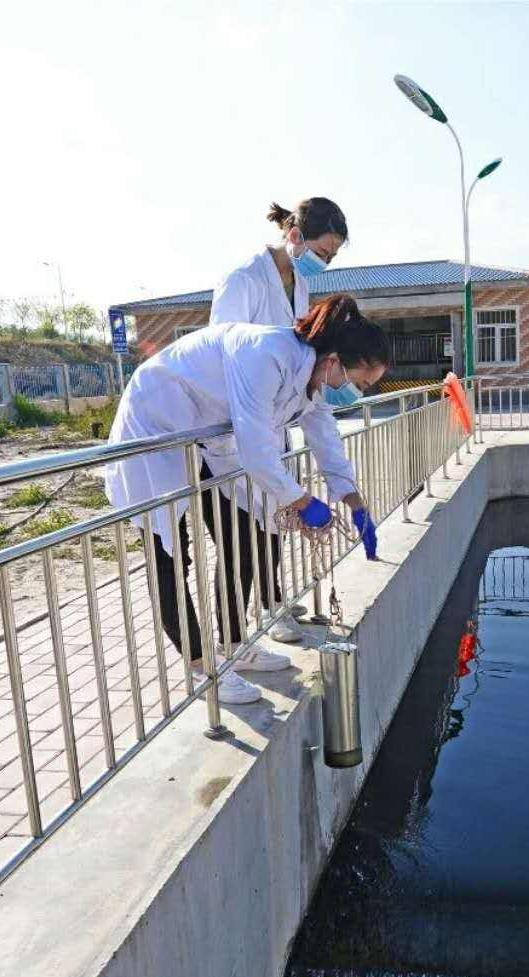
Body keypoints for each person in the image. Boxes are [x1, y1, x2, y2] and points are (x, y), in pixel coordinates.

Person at [103, 295, 389, 705]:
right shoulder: (266, 354)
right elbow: (257, 453)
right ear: (334, 361)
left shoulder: (313, 381)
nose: (355, 392)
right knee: (169, 551)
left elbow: (327, 444)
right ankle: (202, 668)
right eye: (359, 382)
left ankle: (236, 646)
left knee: (245, 535)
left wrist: (356, 504)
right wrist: (302, 502)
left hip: (210, 437)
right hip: (158, 424)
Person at [210, 196, 349, 642]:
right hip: (235, 432)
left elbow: (299, 359)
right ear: (295, 235)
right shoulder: (244, 279)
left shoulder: (298, 285)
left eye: (331, 257)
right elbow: (226, 354)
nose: (324, 263)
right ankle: (235, 642)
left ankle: (271, 607)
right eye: (322, 252)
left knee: (274, 525)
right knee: (240, 544)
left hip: (271, 426)